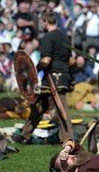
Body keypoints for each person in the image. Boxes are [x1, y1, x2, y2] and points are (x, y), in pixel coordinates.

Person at [12, 12, 73, 144]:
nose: (41, 25)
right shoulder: (65, 37)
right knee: (39, 106)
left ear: (45, 22)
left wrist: (33, 71)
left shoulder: (48, 37)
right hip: (61, 76)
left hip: (53, 77)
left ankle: (69, 139)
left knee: (62, 109)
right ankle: (24, 135)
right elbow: (71, 60)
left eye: (41, 23)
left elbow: (46, 60)